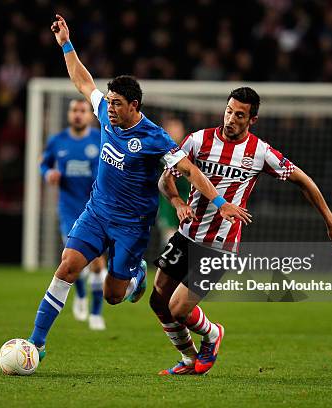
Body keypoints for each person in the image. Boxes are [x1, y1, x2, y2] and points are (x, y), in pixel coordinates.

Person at [27, 14, 250, 362]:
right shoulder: (104, 114)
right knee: (67, 266)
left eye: (117, 104)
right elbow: (84, 83)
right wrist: (66, 44)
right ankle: (36, 344)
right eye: (110, 102)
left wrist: (219, 200)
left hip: (132, 224)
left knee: (115, 295)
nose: (110, 109)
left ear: (134, 106)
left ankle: (135, 277)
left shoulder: (155, 138)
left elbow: (188, 170)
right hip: (97, 211)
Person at [151, 87, 332, 375]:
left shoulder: (260, 152)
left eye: (239, 115)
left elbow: (304, 180)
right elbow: (164, 180)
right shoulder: (197, 140)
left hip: (220, 245)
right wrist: (179, 201)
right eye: (229, 110)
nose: (231, 118)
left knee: (178, 308)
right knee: (158, 300)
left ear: (252, 120)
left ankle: (213, 333)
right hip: (187, 234)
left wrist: (331, 220)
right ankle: (190, 359)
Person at [40, 98, 108, 331]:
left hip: (96, 209)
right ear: (69, 115)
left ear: (90, 115)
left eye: (82, 110)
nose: (78, 114)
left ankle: (96, 313)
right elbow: (44, 163)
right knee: (72, 262)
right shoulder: (57, 141)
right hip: (69, 210)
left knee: (98, 265)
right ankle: (80, 295)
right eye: (74, 110)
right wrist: (48, 172)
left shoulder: (99, 139)